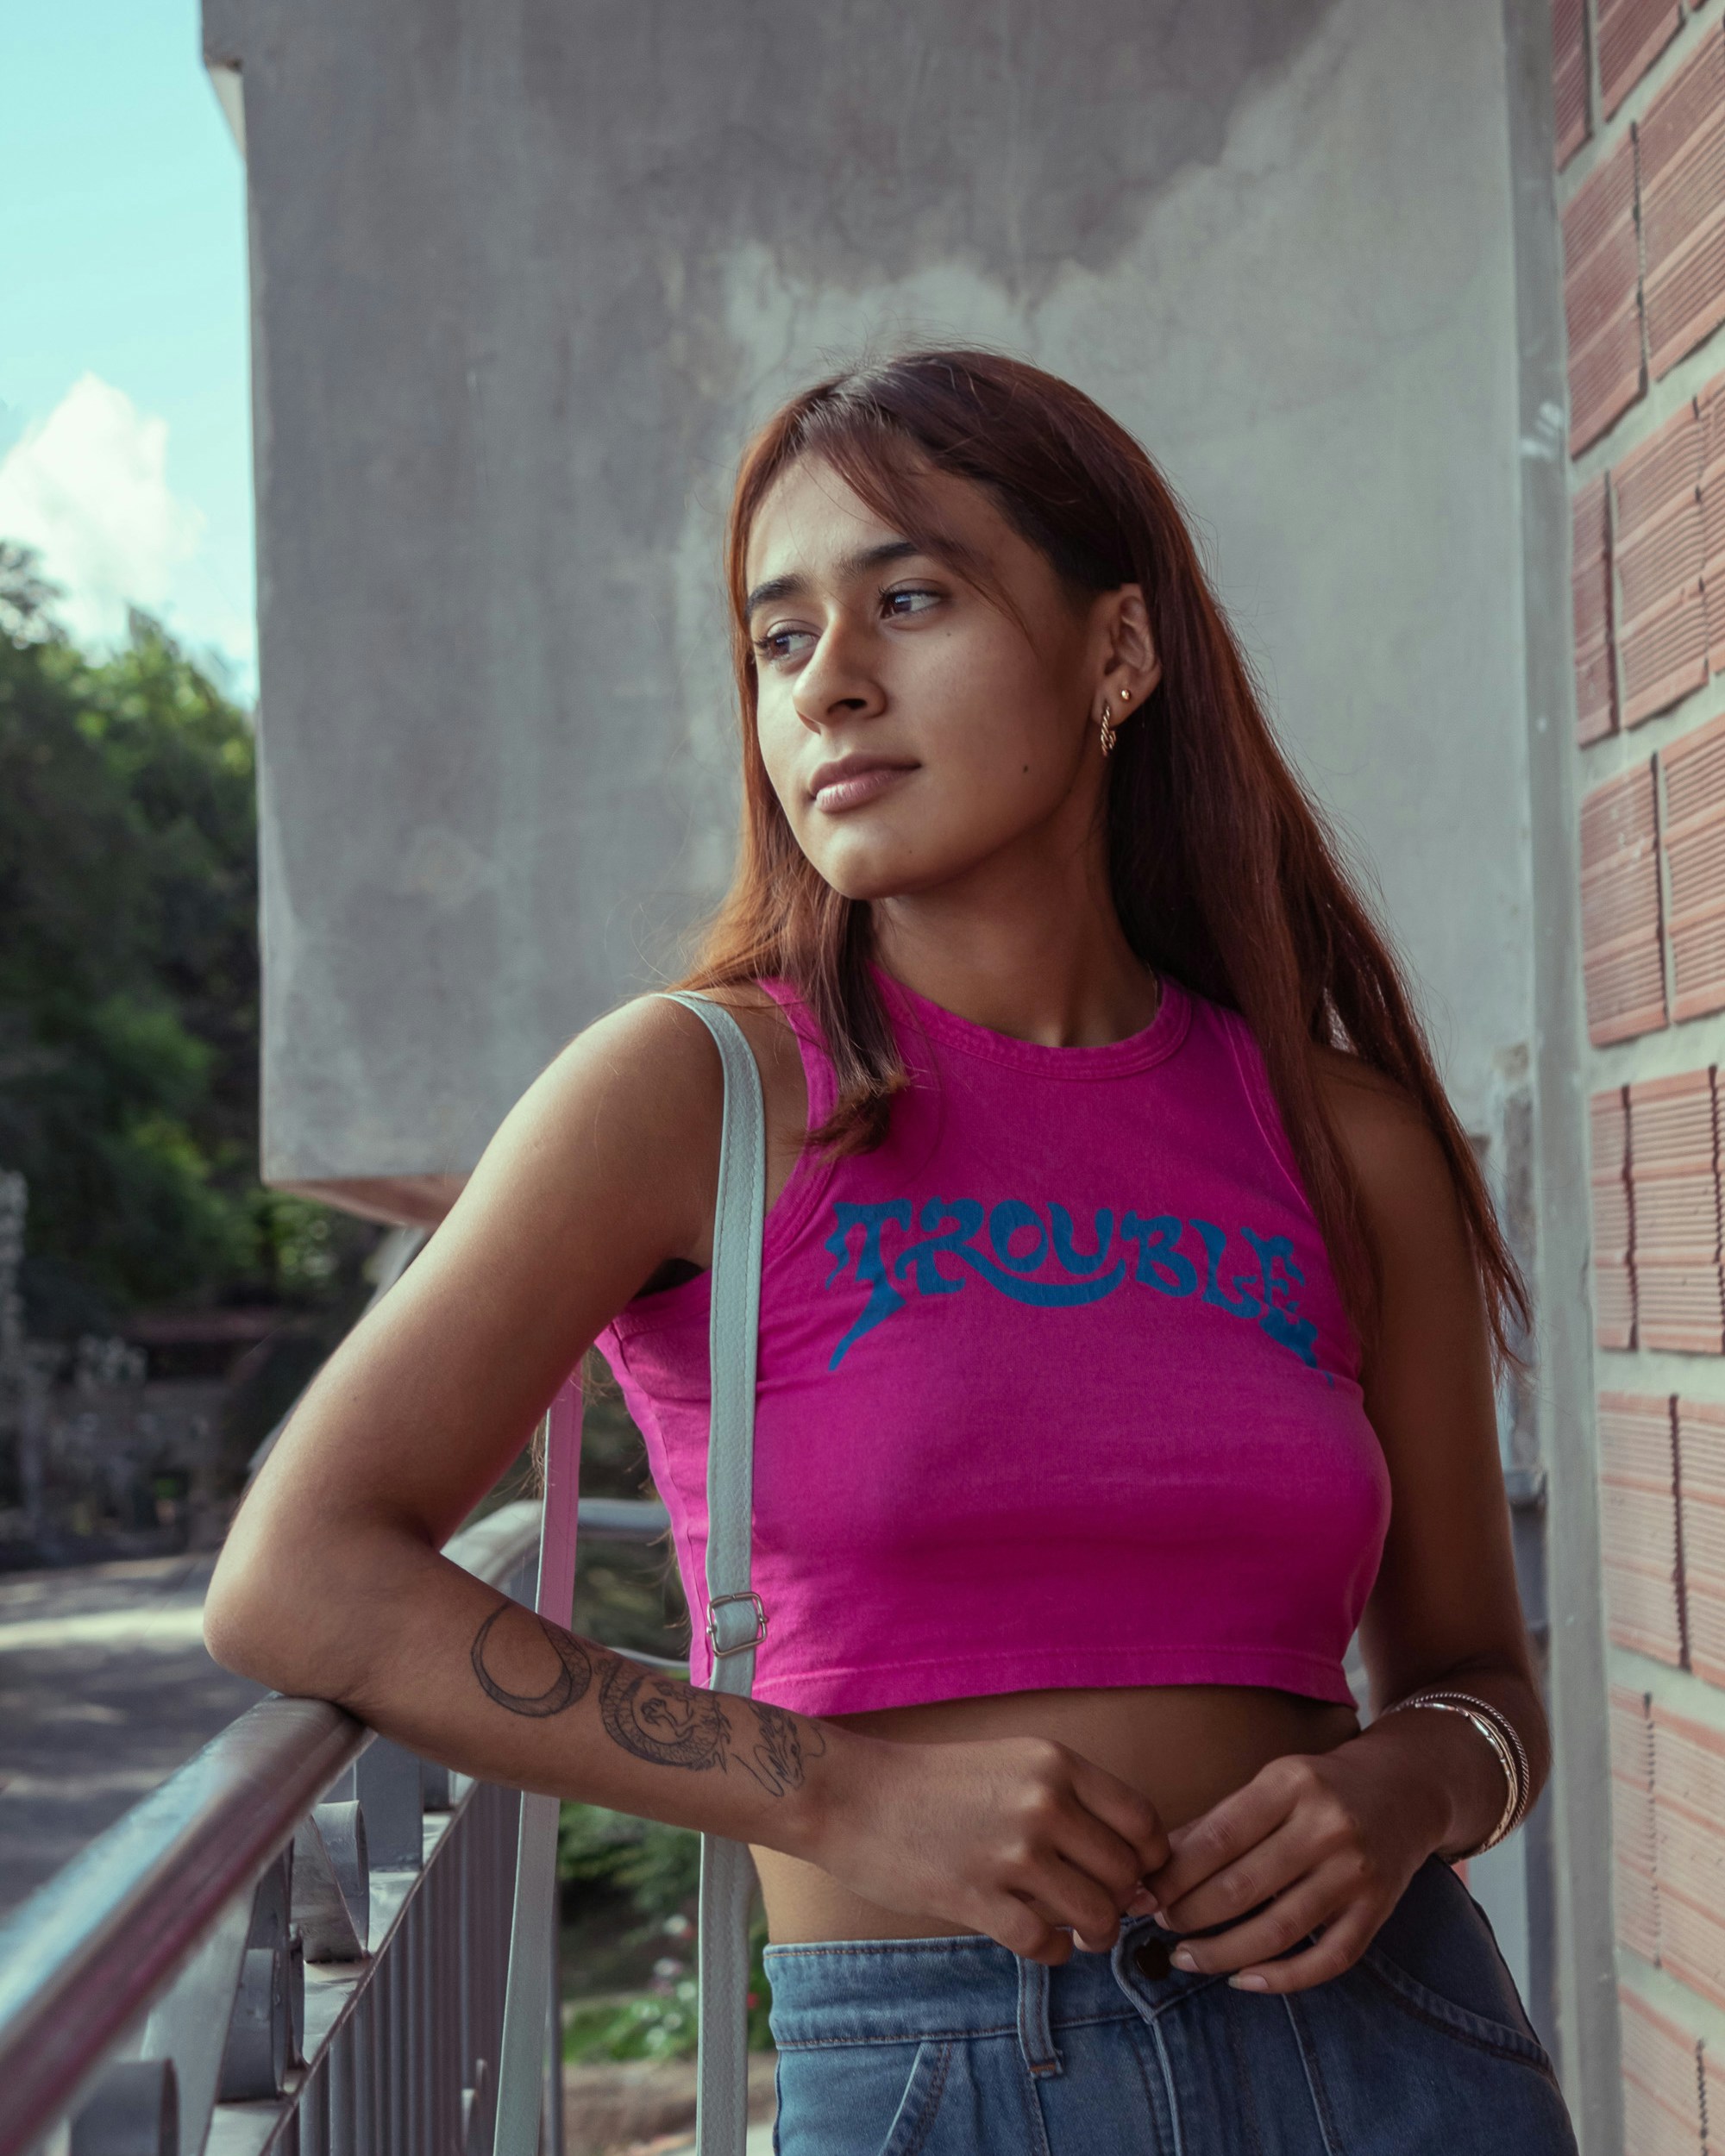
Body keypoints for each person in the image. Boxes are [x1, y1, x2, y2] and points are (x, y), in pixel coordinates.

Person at [205, 347, 1578, 2153]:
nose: (830, 684)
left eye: (908, 598)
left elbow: (1480, 1673)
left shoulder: (1346, 1139)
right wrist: (838, 1793)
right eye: (779, 641)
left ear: (1119, 654)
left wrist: (1406, 1785)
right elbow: (299, 1574)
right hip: (943, 2069)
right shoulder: (688, 1094)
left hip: (1386, 2045)